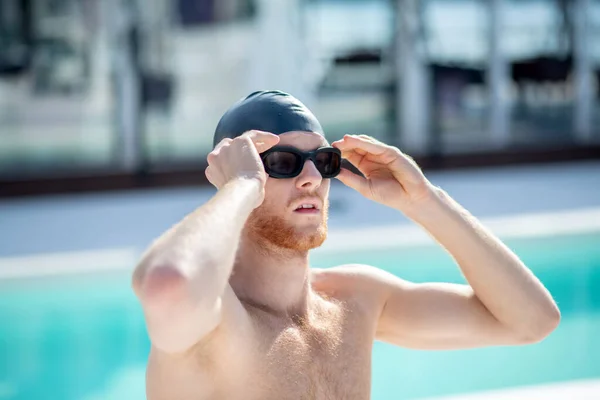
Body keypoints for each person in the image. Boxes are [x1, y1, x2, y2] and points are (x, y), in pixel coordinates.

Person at [132, 90, 560, 400]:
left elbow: (532, 321)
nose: (312, 179)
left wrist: (428, 202)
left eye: (322, 162)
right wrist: (241, 186)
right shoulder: (215, 325)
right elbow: (169, 283)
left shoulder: (355, 303)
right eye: (281, 164)